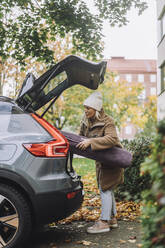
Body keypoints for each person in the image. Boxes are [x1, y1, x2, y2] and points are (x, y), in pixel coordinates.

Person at [76, 91, 124, 234]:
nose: (85, 111)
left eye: (88, 108)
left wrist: (91, 141)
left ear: (96, 109)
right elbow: (80, 138)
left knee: (105, 189)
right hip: (101, 162)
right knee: (107, 189)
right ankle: (112, 219)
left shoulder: (108, 121)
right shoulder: (86, 122)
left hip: (112, 162)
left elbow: (112, 139)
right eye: (84, 107)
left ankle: (104, 222)